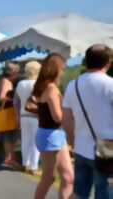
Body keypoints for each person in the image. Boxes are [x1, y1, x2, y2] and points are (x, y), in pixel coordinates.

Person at [62, 44, 113, 199]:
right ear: (108, 63)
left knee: (79, 193)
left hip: (81, 145)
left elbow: (66, 118)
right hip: (107, 149)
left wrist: (72, 141)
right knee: (104, 193)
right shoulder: (111, 84)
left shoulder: (73, 85)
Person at [33, 53, 74, 199]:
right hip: (52, 135)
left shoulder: (42, 86)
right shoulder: (51, 88)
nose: (62, 72)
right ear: (55, 69)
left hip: (48, 134)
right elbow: (57, 117)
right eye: (62, 68)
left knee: (64, 177)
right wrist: (71, 118)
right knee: (57, 178)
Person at [15, 61, 41, 175]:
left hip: (23, 114)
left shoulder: (21, 83)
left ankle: (25, 163)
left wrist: (17, 115)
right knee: (36, 142)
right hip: (36, 115)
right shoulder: (39, 84)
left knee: (25, 140)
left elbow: (16, 101)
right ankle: (34, 167)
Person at [0, 61, 21, 169]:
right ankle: (10, 159)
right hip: (7, 112)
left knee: (7, 136)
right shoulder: (7, 82)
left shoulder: (3, 80)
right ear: (12, 72)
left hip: (4, 111)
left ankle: (9, 158)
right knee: (9, 136)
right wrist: (13, 98)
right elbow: (2, 98)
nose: (17, 75)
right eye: (17, 72)